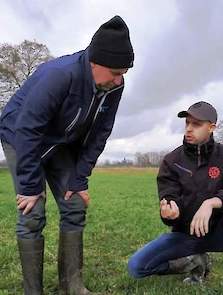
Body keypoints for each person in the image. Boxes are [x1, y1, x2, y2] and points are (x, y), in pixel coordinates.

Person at [0, 15, 134, 295]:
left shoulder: (114, 87)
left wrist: (79, 180)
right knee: (32, 212)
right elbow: (27, 128)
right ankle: (32, 291)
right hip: (21, 137)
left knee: (74, 205)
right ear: (95, 62)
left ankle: (71, 286)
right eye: (115, 72)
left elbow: (100, 135)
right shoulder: (60, 75)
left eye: (124, 73)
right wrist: (29, 187)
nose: (120, 79)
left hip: (60, 142)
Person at [128, 101, 223, 295]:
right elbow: (168, 197)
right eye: (187, 123)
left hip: (221, 234)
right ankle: (194, 261)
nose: (189, 129)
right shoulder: (172, 161)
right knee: (136, 267)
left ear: (212, 127)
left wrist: (212, 202)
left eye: (196, 124)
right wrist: (169, 212)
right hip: (187, 235)